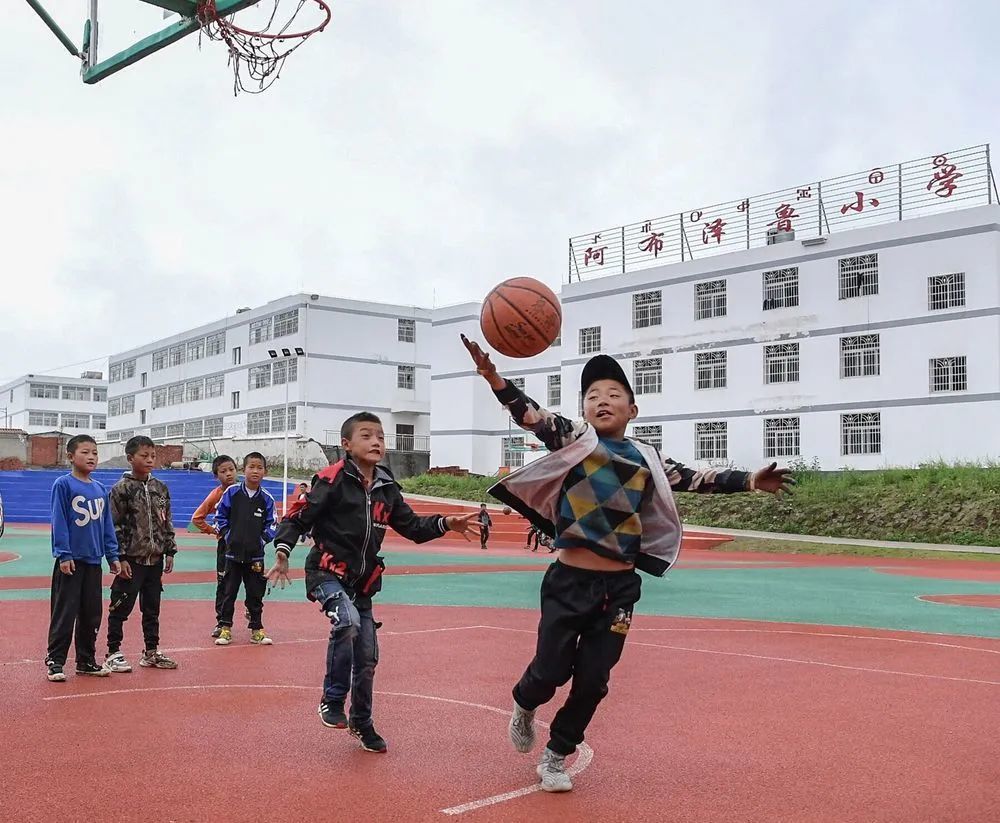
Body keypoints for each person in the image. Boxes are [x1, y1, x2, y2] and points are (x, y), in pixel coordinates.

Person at [461, 334, 794, 792]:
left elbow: (699, 478)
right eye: (593, 396)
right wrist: (495, 378)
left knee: (595, 680)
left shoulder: (648, 459)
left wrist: (751, 480)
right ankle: (524, 702)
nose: (602, 400)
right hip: (569, 581)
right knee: (551, 671)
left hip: (619, 589)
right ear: (582, 411)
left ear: (632, 411)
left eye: (614, 395)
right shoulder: (574, 441)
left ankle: (557, 755)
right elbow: (531, 416)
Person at [267, 411, 479, 754]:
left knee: (367, 657)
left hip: (362, 583)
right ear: (346, 444)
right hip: (325, 572)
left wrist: (446, 522)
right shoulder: (332, 479)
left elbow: (412, 527)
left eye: (380, 436)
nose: (376, 441)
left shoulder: (386, 487)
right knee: (346, 622)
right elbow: (298, 517)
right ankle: (332, 700)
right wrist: (282, 551)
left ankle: (362, 723)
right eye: (366, 435)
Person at [45, 434, 121, 682]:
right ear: (70, 456)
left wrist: (112, 555)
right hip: (71, 562)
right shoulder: (63, 485)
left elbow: (107, 525)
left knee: (91, 613)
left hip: (93, 562)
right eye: (85, 452)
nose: (91, 457)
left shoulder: (100, 489)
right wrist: (64, 553)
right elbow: (59, 521)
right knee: (65, 612)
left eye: (95, 453)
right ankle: (55, 661)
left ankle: (86, 660)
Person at [104, 436, 178, 672]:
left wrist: (169, 549)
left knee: (152, 608)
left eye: (153, 456)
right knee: (120, 606)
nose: (149, 460)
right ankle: (113, 652)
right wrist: (121, 557)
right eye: (144, 456)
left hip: (154, 561)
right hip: (131, 561)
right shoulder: (121, 489)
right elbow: (113, 525)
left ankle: (151, 652)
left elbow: (166, 520)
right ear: (130, 458)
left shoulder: (160, 488)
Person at [214, 452, 277, 647]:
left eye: (259, 467)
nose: (255, 471)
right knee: (228, 592)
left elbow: (273, 524)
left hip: (255, 557)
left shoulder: (267, 499)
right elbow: (219, 517)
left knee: (255, 593)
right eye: (251, 467)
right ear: (244, 469)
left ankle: (256, 629)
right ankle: (225, 628)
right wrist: (228, 536)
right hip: (232, 555)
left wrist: (260, 541)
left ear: (265, 472)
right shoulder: (231, 493)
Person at [191, 454, 240, 638]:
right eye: (223, 471)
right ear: (216, 476)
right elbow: (197, 518)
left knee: (253, 582)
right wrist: (214, 531)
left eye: (231, 469)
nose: (228, 474)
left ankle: (255, 620)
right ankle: (222, 622)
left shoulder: (246, 490)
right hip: (226, 545)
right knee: (224, 583)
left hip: (249, 545)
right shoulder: (216, 495)